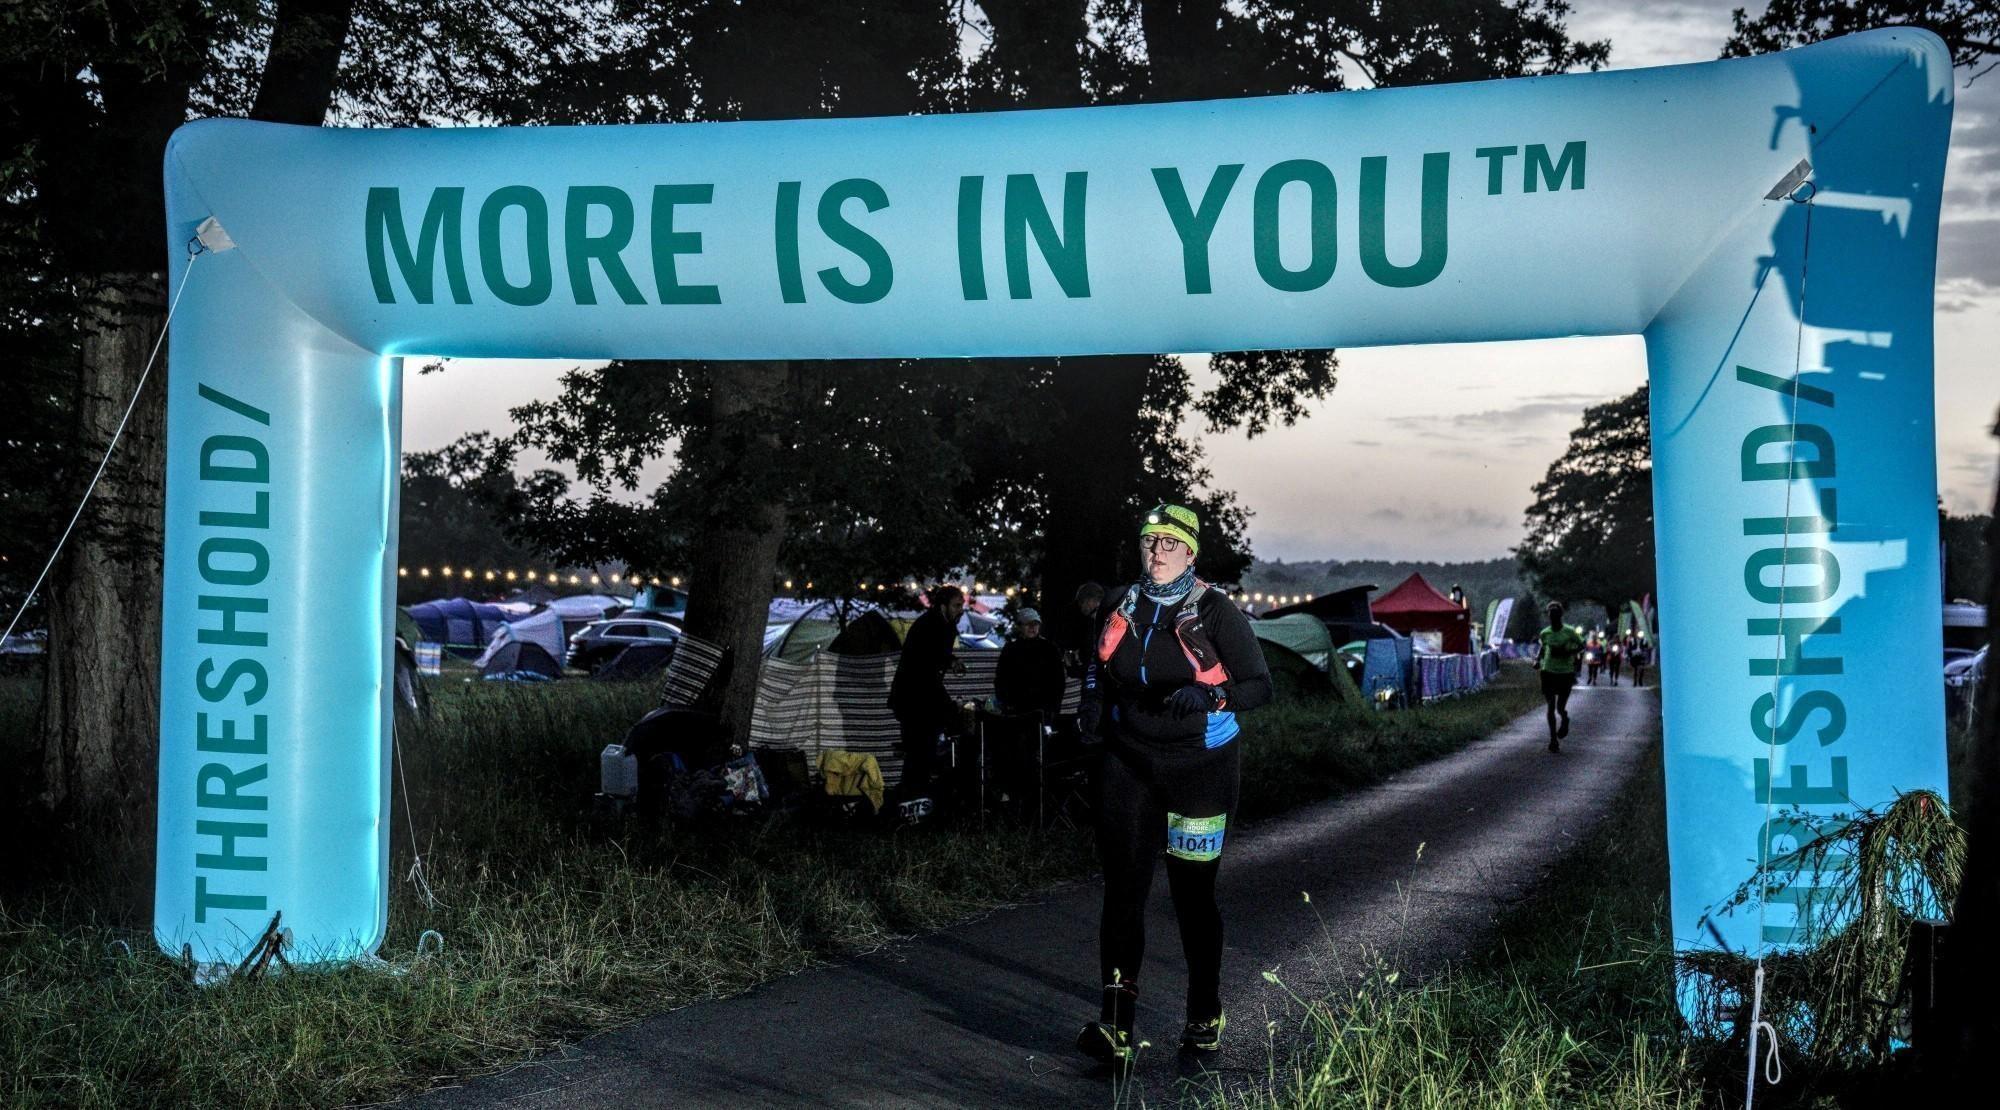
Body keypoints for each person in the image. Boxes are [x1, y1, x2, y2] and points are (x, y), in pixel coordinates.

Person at [1075, 503, 1272, 1068]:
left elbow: (1260, 686)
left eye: (1169, 543)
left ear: (1190, 551)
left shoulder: (1216, 610)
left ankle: (1205, 1013)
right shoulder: (1119, 603)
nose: (1157, 553)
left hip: (1200, 767)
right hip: (1130, 764)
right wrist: (1092, 704)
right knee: (1123, 891)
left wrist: (1211, 695)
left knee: (1191, 897)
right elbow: (1099, 667)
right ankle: (1116, 1028)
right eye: (1149, 542)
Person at [889, 585, 967, 800]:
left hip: (923, 696)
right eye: (956, 605)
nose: (961, 610)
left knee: (923, 751)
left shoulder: (945, 625)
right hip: (913, 698)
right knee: (918, 752)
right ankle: (912, 802)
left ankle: (919, 800)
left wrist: (950, 662)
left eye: (962, 605)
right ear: (943, 606)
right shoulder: (931, 625)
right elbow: (923, 665)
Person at [996, 607, 1066, 720]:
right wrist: (1007, 703)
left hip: (1044, 706)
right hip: (1017, 706)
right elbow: (1001, 679)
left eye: (1035, 624)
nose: (1032, 627)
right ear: (1019, 626)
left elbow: (1059, 680)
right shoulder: (1010, 649)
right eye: (1027, 624)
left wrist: (1054, 706)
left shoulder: (1049, 648)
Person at [1536, 602, 1584, 753]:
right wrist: (1537, 660)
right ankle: (1553, 740)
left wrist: (1568, 652)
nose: (1553, 619)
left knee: (1560, 707)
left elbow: (1582, 645)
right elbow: (1543, 648)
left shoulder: (1569, 632)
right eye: (1550, 616)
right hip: (1548, 671)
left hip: (1565, 673)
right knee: (1550, 707)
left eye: (1556, 615)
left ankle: (1565, 718)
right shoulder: (1545, 633)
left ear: (1560, 615)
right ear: (1548, 617)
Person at [1062, 582, 1108, 740]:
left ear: (1090, 601)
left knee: (1092, 727)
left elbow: (1095, 661)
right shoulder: (1099, 623)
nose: (1081, 608)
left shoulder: (1102, 624)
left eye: (1082, 602)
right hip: (1099, 685)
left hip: (1097, 688)